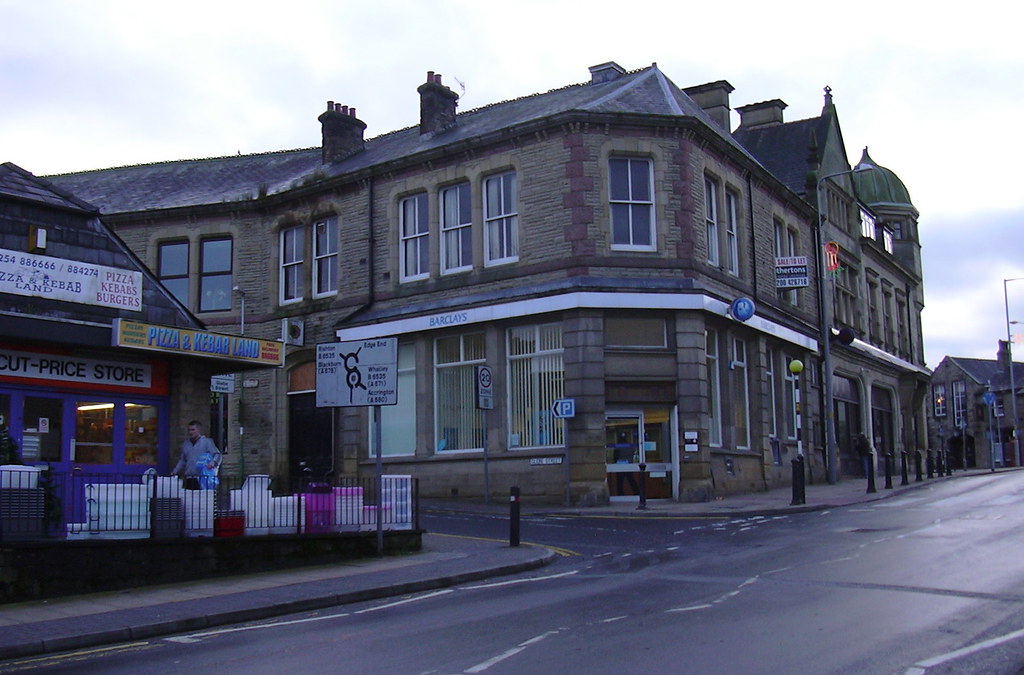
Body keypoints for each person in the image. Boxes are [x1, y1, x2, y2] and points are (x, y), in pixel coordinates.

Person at [173, 420, 221, 489]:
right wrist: (175, 471)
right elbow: (182, 460)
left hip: (202, 477)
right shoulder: (186, 444)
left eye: (193, 430)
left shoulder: (207, 442)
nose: (190, 432)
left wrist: (213, 463)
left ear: (198, 430)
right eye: (189, 430)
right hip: (189, 477)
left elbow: (217, 455)